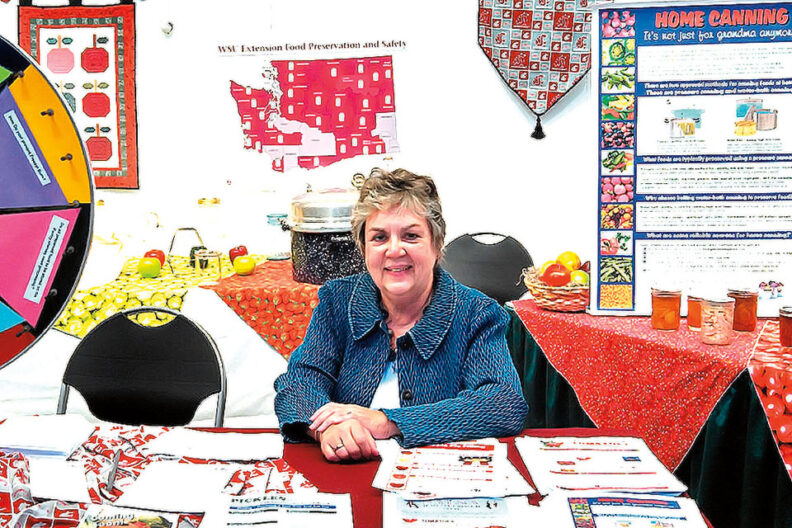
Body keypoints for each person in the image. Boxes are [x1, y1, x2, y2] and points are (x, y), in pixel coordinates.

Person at [274, 168, 528, 462]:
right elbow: (298, 383)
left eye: (411, 235)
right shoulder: (337, 301)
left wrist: (387, 421)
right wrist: (327, 428)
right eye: (379, 237)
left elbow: (503, 403)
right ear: (363, 248)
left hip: (439, 481)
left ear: (436, 244)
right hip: (349, 475)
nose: (395, 250)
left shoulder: (476, 313)